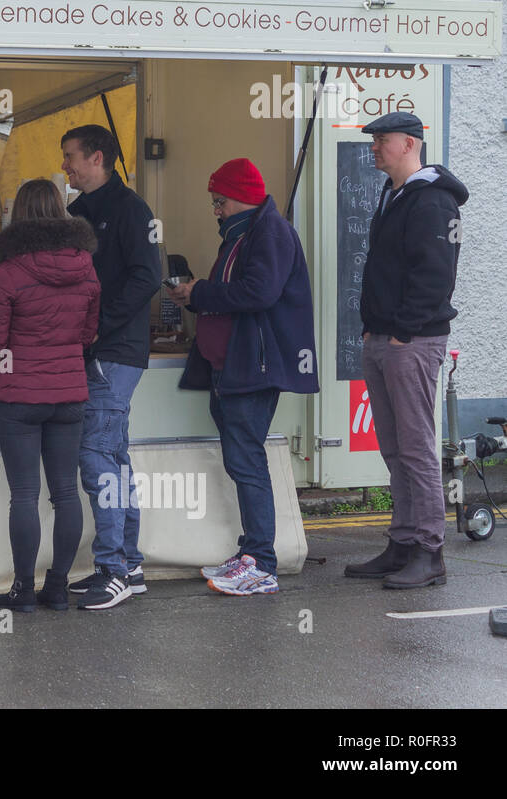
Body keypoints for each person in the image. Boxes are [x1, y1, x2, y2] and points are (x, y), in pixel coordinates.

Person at [168, 158, 318, 596]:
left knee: (247, 462)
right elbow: (241, 293)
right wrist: (197, 296)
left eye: (220, 201)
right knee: (242, 462)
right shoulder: (245, 234)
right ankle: (250, 552)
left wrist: (199, 292)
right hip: (231, 368)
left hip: (252, 370)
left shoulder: (269, 233)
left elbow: (258, 292)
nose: (216, 210)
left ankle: (262, 564)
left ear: (243, 198)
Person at [344, 112, 467, 589]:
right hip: (383, 337)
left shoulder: (432, 201)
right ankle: (402, 542)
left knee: (415, 448)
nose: (374, 146)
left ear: (411, 144)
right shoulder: (394, 195)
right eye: (374, 139)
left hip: (410, 341)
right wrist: (376, 331)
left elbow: (436, 274)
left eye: (382, 139)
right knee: (395, 448)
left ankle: (429, 551)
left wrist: (403, 332)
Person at [0, 178, 100, 612]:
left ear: (19, 217)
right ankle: (58, 587)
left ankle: (23, 590)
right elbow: (88, 334)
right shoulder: (86, 267)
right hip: (69, 393)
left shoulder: (7, 272)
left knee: (25, 494)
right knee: (66, 492)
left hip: (20, 396)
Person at [62, 124, 161, 610]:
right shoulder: (78, 212)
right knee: (114, 456)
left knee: (94, 454)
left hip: (115, 352)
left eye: (71, 157)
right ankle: (130, 563)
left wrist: (100, 325)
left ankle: (112, 570)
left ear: (97, 158)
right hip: (96, 350)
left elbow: (149, 276)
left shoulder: (131, 210)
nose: (66, 167)